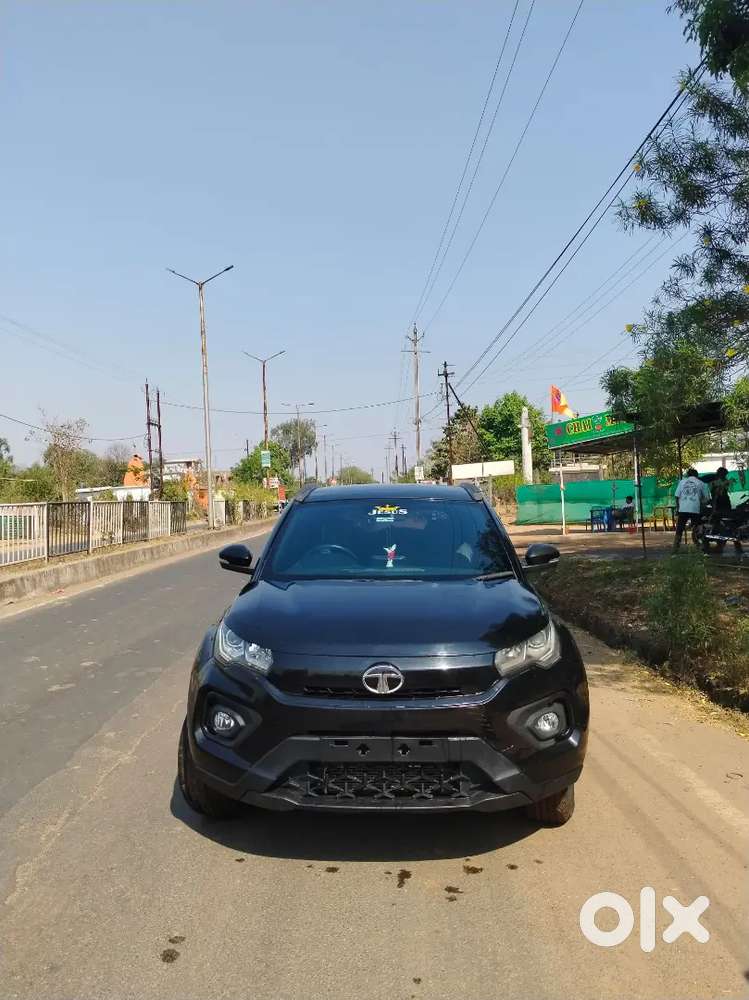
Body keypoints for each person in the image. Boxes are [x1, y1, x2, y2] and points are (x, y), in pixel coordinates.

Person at [673, 468, 711, 551]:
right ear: (697, 475)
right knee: (699, 526)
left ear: (687, 475)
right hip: (695, 509)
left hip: (683, 509)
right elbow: (707, 498)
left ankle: (675, 548)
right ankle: (702, 547)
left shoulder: (682, 482)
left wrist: (678, 508)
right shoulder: (701, 483)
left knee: (679, 529)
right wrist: (702, 504)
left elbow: (676, 496)